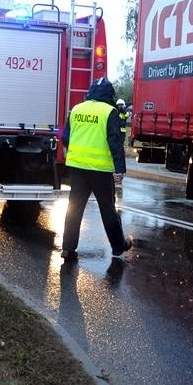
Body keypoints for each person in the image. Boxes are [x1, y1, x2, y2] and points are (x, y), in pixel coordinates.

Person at [61, 77, 132, 261]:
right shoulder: (110, 112)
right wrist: (119, 170)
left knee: (74, 209)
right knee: (108, 209)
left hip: (77, 168)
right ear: (109, 94)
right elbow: (115, 143)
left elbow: (65, 137)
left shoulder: (77, 109)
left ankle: (68, 248)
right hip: (100, 170)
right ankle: (118, 246)